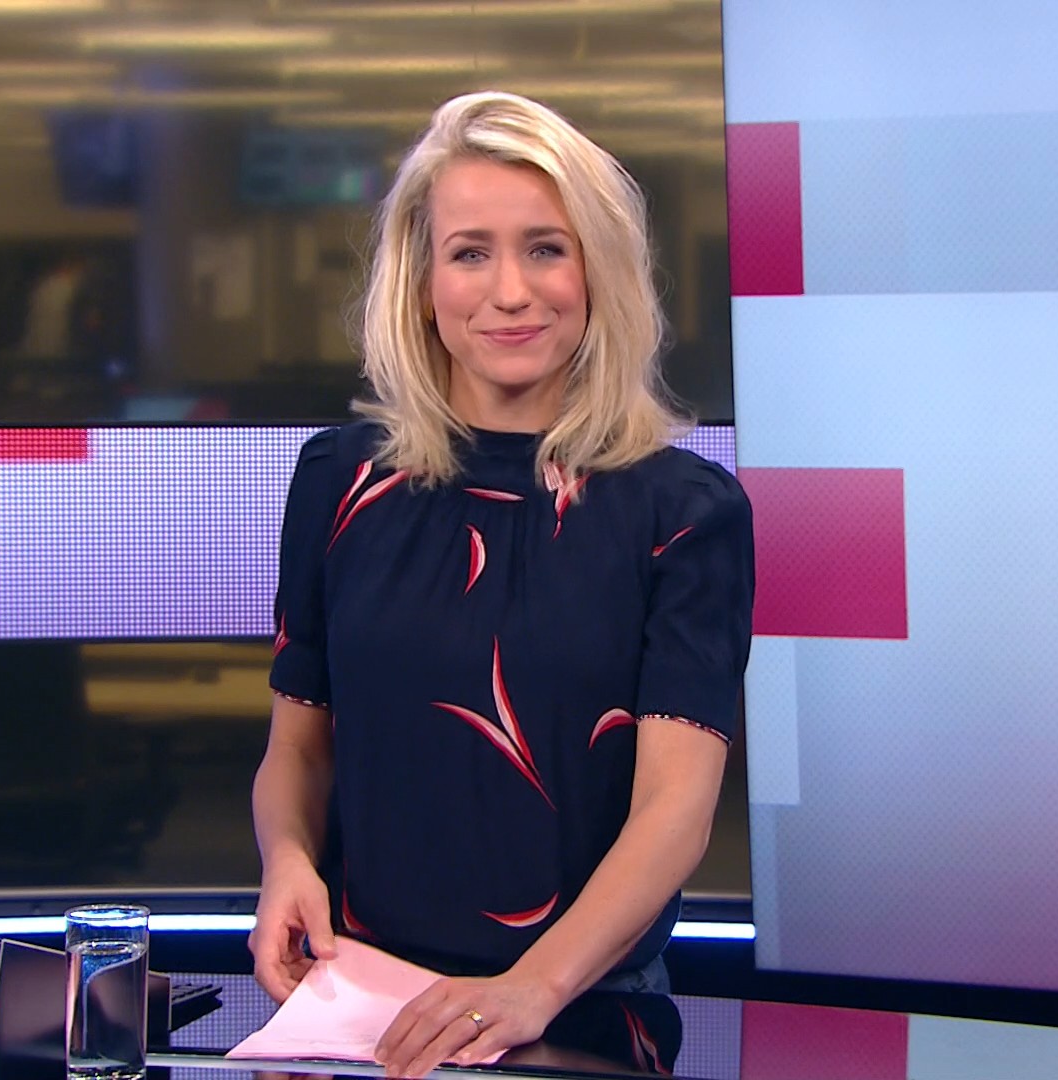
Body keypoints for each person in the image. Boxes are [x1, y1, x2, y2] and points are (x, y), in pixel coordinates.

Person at [250, 90, 754, 1079]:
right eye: (471, 252)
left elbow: (675, 809)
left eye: (546, 249)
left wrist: (533, 988)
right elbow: (298, 747)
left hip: (583, 1012)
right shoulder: (339, 481)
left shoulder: (684, 512)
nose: (511, 291)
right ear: (422, 282)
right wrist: (287, 862)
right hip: (361, 1009)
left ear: (597, 271)